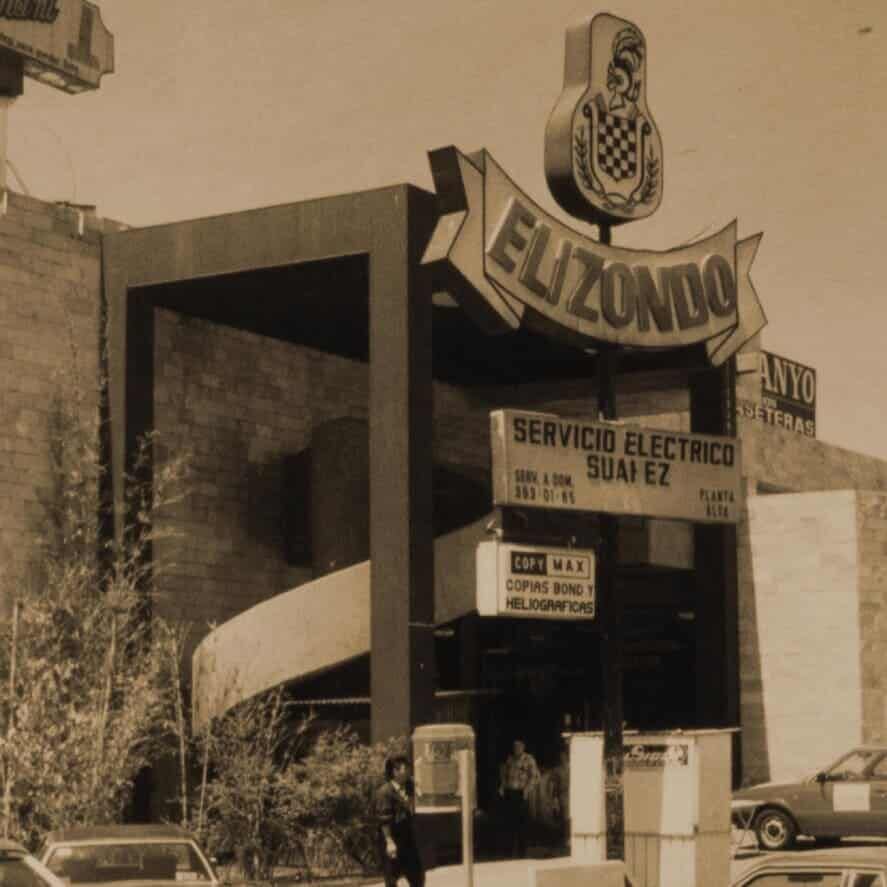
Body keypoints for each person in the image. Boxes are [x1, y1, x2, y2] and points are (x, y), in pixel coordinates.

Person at [375, 754, 425, 887]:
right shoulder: (385, 792)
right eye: (403, 768)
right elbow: (384, 819)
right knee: (392, 879)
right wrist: (389, 842)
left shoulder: (409, 787)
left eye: (407, 767)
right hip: (392, 840)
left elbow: (420, 798)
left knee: (417, 877)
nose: (407, 770)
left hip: (408, 840)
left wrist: (417, 786)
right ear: (394, 772)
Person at [498, 738, 540, 858]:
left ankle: (522, 851)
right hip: (510, 793)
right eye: (514, 746)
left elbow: (535, 776)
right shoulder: (510, 759)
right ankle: (509, 850)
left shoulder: (529, 759)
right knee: (509, 822)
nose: (516, 749)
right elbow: (505, 774)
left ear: (523, 747)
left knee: (522, 823)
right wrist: (502, 786)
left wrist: (527, 789)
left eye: (518, 746)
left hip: (522, 794)